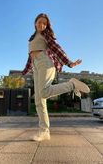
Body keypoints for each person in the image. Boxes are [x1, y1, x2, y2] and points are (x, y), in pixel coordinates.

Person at [22, 13, 90, 142]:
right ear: (35, 23)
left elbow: (57, 48)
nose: (41, 25)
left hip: (45, 62)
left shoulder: (45, 35)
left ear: (46, 26)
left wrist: (69, 63)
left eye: (44, 23)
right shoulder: (31, 38)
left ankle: (72, 85)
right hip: (36, 66)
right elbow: (30, 57)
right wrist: (24, 72)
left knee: (43, 92)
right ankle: (44, 132)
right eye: (39, 22)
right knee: (39, 101)